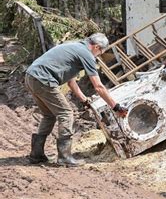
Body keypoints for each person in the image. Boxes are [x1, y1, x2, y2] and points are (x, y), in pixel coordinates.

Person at [25, 33, 128, 166]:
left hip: (31, 77)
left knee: (49, 115)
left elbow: (71, 82)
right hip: (43, 79)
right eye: (101, 52)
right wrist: (116, 107)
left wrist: (84, 100)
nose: (99, 55)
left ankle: (36, 155)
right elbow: (98, 87)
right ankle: (64, 157)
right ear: (96, 47)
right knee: (66, 114)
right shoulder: (87, 54)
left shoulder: (74, 46)